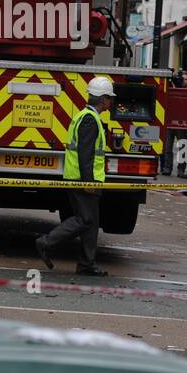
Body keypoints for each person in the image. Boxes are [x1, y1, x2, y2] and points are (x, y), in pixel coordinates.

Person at [35, 75, 113, 277]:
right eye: (109, 98)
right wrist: (87, 181)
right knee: (85, 219)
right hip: (83, 179)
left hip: (82, 178)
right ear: (103, 99)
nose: (111, 102)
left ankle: (87, 264)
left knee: (92, 222)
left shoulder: (86, 116)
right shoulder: (89, 119)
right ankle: (46, 242)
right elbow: (85, 153)